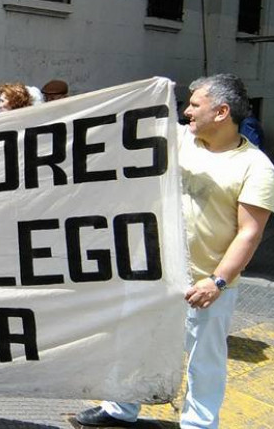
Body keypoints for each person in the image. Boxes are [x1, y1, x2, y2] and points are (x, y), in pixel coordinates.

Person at [75, 73, 274, 429]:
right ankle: (120, 408)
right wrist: (148, 92)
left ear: (221, 111)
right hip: (152, 271)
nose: (186, 112)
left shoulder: (255, 167)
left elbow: (250, 232)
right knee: (133, 342)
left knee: (204, 360)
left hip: (206, 282)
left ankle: (199, 424)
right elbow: (124, 127)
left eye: (195, 104)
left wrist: (218, 282)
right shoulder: (178, 140)